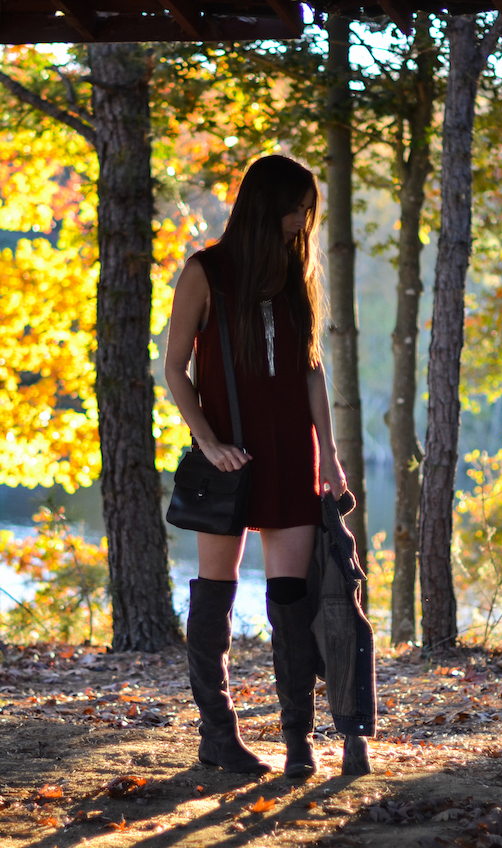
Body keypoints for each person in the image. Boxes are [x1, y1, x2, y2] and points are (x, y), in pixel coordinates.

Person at [165, 155, 347, 778]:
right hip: (228, 462)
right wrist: (209, 442)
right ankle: (218, 735)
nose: (303, 221)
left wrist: (331, 457)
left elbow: (310, 371)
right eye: (298, 207)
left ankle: (299, 738)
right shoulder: (206, 271)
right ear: (268, 204)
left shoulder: (296, 275)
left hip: (293, 457)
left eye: (308, 210)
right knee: (213, 596)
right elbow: (174, 370)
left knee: (291, 602)